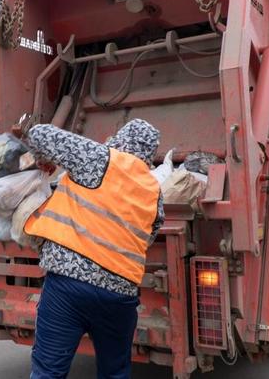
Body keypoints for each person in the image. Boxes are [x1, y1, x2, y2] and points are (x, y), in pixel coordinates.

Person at [23, 119, 165, 379]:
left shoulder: (99, 158)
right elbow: (148, 236)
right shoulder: (154, 190)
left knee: (49, 372)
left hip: (69, 287)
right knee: (115, 373)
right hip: (120, 296)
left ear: (121, 138)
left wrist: (45, 158)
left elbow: (40, 134)